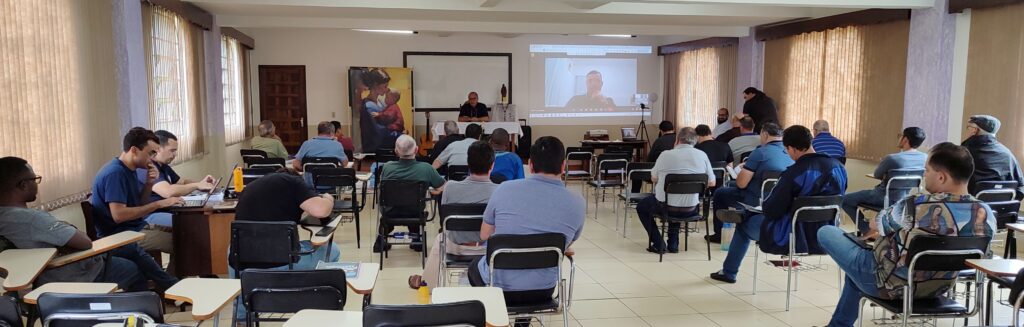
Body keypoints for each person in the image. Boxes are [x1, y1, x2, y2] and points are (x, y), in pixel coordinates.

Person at [817, 143, 995, 327]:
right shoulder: (986, 213)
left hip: (889, 284)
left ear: (941, 177)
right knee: (854, 274)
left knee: (827, 232)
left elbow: (874, 223)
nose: (924, 175)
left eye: (927, 170)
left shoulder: (914, 205)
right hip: (938, 288)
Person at [709, 125, 847, 283]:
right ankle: (745, 214)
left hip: (792, 234)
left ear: (792, 149)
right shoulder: (839, 168)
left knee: (744, 226)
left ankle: (729, 272)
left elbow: (772, 210)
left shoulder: (793, 173)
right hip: (826, 234)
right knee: (753, 216)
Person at [467, 136, 585, 306]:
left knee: (475, 266)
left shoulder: (504, 189)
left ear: (530, 165)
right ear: (563, 166)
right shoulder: (577, 202)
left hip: (498, 286)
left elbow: (485, 234)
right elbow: (566, 243)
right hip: (543, 289)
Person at [0, 157, 147, 292]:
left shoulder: (5, 218)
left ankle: (167, 283)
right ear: (23, 185)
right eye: (35, 179)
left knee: (130, 250)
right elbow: (85, 242)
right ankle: (142, 313)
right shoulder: (32, 220)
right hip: (73, 275)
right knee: (134, 269)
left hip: (36, 280)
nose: (37, 184)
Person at [229, 168, 339, 320]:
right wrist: (328, 199)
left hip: (247, 271)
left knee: (233, 248)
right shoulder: (294, 182)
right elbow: (321, 211)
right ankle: (315, 309)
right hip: (283, 266)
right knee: (332, 250)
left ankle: (242, 316)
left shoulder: (251, 187)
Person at [91, 127, 180, 291]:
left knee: (183, 233)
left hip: (133, 227)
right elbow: (119, 215)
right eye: (151, 153)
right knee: (182, 242)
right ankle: (172, 287)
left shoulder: (131, 169)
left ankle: (170, 285)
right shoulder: (115, 173)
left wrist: (148, 184)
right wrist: (158, 204)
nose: (153, 159)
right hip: (118, 235)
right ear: (134, 150)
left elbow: (138, 205)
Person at [408, 141, 497, 289]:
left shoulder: (450, 187)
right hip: (488, 250)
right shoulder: (500, 191)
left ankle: (427, 284)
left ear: (468, 163)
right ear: (492, 165)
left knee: (441, 238)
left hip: (456, 247)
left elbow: (445, 220)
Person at [706, 123, 793, 243]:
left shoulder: (760, 152)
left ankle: (720, 233)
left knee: (721, 192)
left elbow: (741, 184)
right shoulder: (790, 153)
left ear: (765, 134)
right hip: (780, 199)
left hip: (756, 199)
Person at [635, 127, 715, 253]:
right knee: (679, 197)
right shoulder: (702, 155)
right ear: (695, 141)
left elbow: (653, 178)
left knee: (642, 206)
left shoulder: (665, 155)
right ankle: (673, 244)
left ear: (677, 139)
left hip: (665, 207)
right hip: (691, 208)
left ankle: (658, 242)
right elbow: (712, 182)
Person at [841, 127, 927, 233]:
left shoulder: (892, 158)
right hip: (903, 199)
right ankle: (875, 228)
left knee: (844, 200)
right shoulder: (925, 158)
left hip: (882, 197)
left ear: (905, 140)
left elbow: (877, 174)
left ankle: (867, 229)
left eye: (900, 136)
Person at [377, 135, 446, 252]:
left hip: (390, 211)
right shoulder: (426, 168)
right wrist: (433, 190)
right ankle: (416, 239)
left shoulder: (387, 167)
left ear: (396, 151)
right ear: (416, 150)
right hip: (415, 211)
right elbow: (442, 186)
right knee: (413, 204)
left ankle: (381, 239)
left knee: (400, 203)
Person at [139, 130, 215, 228]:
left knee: (202, 216)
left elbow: (182, 182)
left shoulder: (163, 165)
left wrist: (202, 183)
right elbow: (168, 191)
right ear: (158, 149)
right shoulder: (147, 167)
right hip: (151, 214)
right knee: (191, 223)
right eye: (172, 150)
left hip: (169, 209)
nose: (175, 154)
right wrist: (196, 185)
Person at [961, 115, 1024, 198]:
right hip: (1001, 209)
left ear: (974, 130)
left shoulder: (963, 153)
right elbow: (1021, 187)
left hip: (970, 208)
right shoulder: (1008, 154)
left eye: (968, 127)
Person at [293, 121, 349, 188]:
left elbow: (296, 165)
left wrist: (307, 169)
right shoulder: (337, 145)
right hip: (331, 184)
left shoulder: (306, 144)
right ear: (332, 133)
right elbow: (345, 163)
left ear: (318, 132)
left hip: (310, 185)